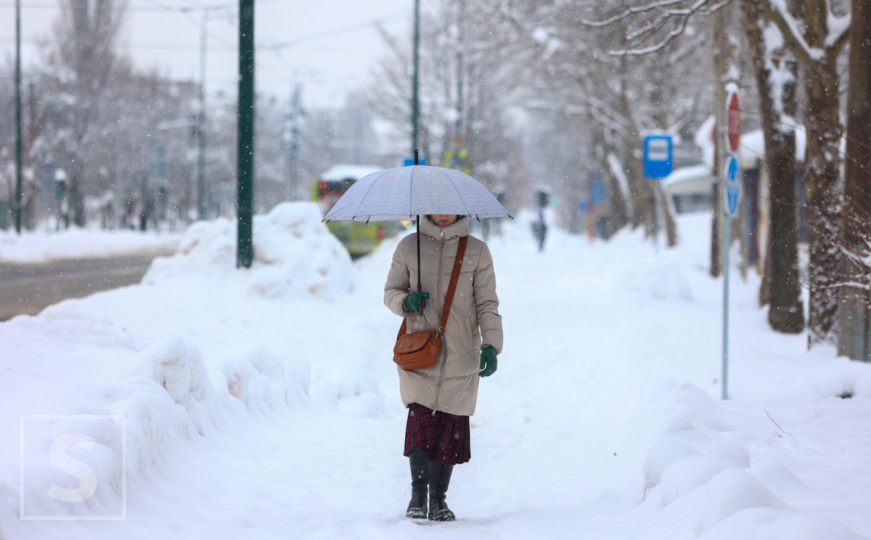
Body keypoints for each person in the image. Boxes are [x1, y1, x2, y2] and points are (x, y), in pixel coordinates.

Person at [384, 214, 503, 522]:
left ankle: (439, 499)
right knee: (421, 422)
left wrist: (491, 345)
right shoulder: (410, 247)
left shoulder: (477, 251)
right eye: (438, 208)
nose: (444, 214)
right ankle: (417, 495)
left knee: (449, 427)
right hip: (419, 351)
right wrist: (406, 301)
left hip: (461, 352)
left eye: (450, 209)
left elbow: (487, 303)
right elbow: (390, 292)